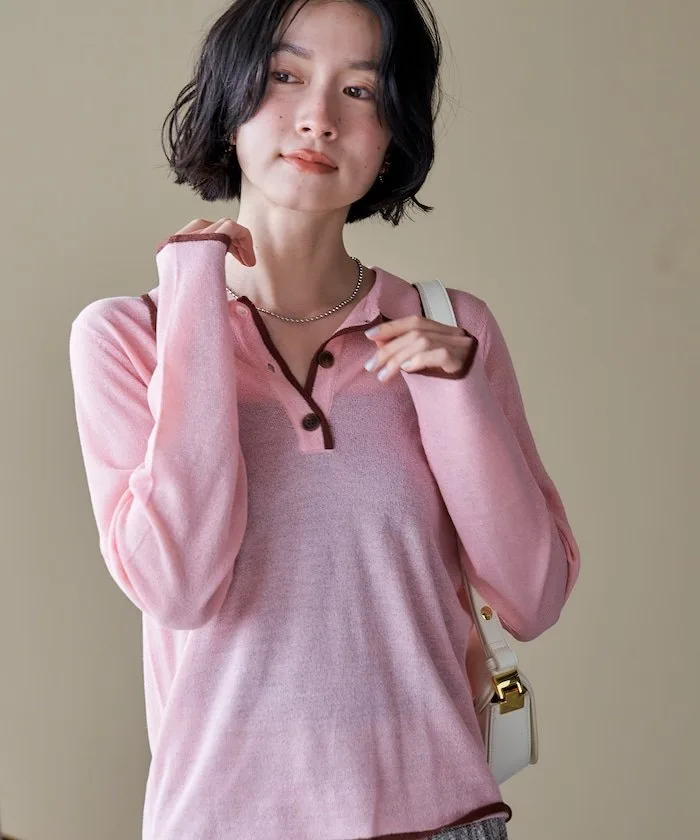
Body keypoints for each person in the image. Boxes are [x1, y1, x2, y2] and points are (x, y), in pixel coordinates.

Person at [68, 1, 581, 838]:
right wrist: (195, 295)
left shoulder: (452, 329)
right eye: (286, 75)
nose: (318, 118)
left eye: (360, 90)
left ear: (393, 134)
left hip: (441, 821)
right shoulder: (131, 338)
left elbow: (533, 597)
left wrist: (456, 394)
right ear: (231, 96)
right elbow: (181, 588)